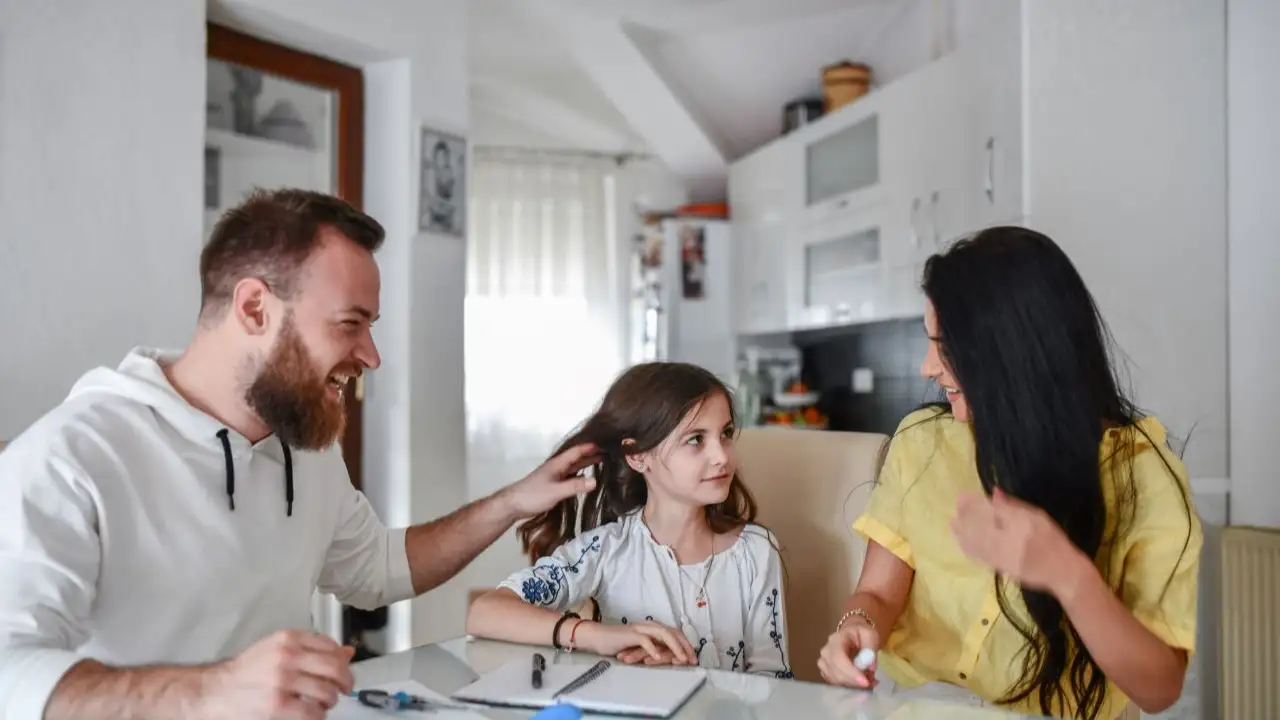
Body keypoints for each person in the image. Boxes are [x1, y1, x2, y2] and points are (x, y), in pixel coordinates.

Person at [0, 189, 597, 720]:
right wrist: (212, 693)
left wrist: (512, 502)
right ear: (255, 308)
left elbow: (379, 570)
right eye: (349, 323)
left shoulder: (304, 445)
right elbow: (9, 672)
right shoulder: (69, 456)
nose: (371, 355)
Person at [817, 227, 1202, 719]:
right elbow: (876, 593)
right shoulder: (922, 442)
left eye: (944, 345)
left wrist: (1068, 574)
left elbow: (1159, 688)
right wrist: (857, 624)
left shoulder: (1143, 476)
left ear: (1013, 351)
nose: (926, 367)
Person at [466, 362, 793, 678]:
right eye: (695, 439)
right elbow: (484, 612)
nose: (722, 456)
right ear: (637, 456)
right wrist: (596, 636)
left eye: (725, 434)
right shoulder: (604, 550)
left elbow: (773, 679)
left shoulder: (756, 551)